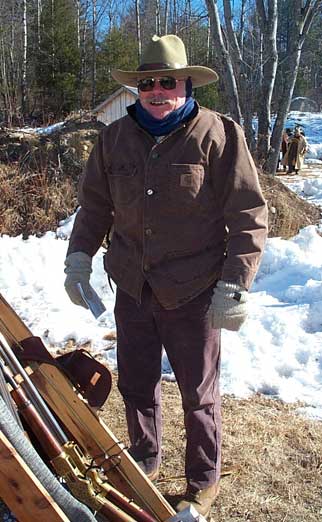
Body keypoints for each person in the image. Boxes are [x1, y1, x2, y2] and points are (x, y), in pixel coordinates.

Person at [64, 34, 268, 517]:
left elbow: (248, 214)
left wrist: (236, 283)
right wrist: (79, 259)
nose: (157, 91)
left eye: (168, 82)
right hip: (133, 287)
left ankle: (202, 481)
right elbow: (94, 207)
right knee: (136, 383)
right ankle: (145, 458)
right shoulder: (114, 137)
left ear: (186, 84)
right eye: (148, 82)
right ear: (138, 87)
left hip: (196, 290)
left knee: (199, 393)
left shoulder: (219, 134)